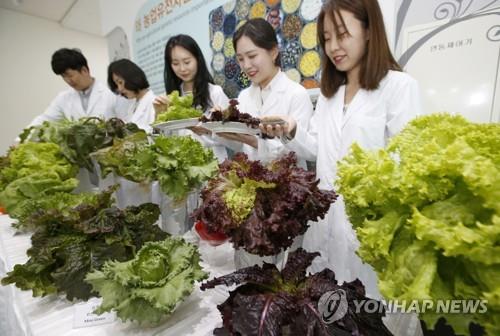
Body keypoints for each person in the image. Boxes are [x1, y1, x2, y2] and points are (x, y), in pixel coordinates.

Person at [261, 0, 423, 298]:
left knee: (367, 310)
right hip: (325, 226)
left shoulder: (399, 87)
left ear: (369, 31)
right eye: (326, 38)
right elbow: (316, 150)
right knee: (326, 308)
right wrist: (291, 128)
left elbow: (407, 166)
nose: (333, 46)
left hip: (369, 230)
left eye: (342, 34)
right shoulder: (329, 95)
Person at [217, 18, 313, 168]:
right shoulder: (244, 97)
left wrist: (253, 141)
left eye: (252, 56)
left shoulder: (296, 94)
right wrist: (218, 128)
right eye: (241, 59)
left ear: (273, 52)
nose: (246, 65)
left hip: (288, 185)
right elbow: (239, 145)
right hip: (252, 184)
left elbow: (299, 151)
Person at [153, 34, 229, 162]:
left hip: (214, 165)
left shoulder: (215, 93)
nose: (182, 69)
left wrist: (207, 131)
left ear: (197, 59)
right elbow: (160, 142)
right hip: (183, 168)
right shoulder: (169, 99)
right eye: (175, 63)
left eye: (187, 62)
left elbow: (234, 138)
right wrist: (158, 117)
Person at [29, 48, 121, 127]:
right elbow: (44, 119)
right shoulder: (63, 98)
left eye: (70, 75)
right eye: (63, 77)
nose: (68, 80)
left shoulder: (111, 93)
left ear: (84, 70)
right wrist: (19, 141)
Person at [107, 58, 155, 132]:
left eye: (120, 82)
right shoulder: (134, 105)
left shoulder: (153, 102)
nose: (120, 89)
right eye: (116, 84)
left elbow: (153, 132)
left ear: (132, 77)